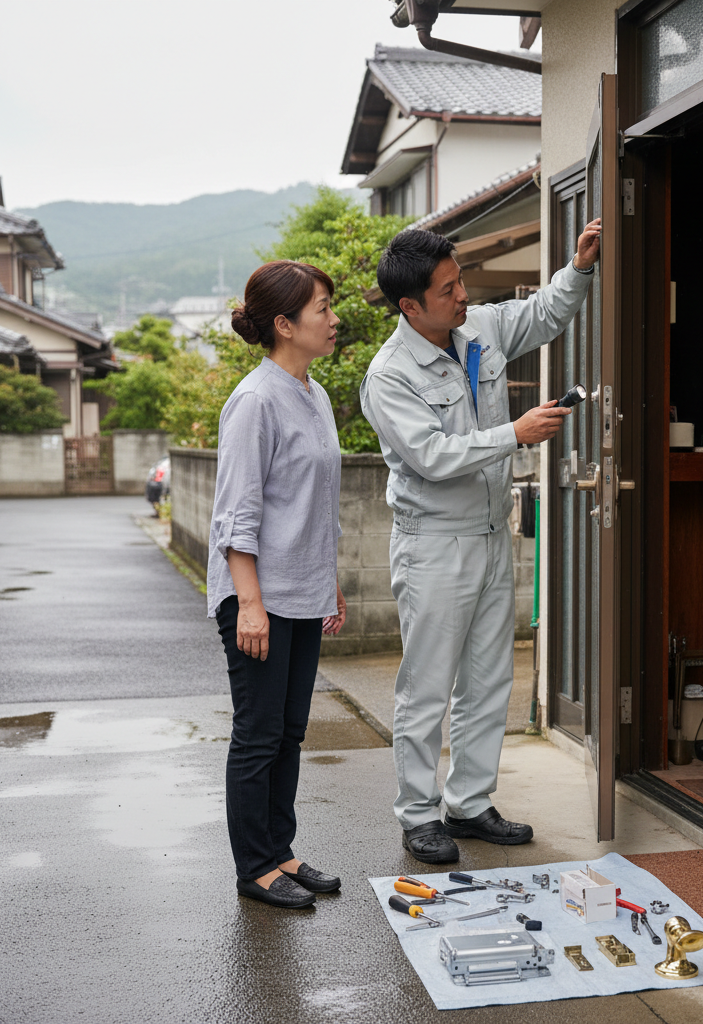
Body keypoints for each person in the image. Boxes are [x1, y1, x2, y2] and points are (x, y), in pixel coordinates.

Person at [360, 219, 602, 863]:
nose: (462, 295)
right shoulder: (389, 376)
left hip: (492, 535)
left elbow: (544, 314)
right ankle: (418, 815)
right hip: (435, 544)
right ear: (410, 306)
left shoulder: (479, 331)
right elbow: (433, 456)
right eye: (447, 289)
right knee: (427, 687)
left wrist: (577, 269)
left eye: (460, 279)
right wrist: (513, 434)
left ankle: (468, 804)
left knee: (489, 679)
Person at [208, 260, 347, 907]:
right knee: (259, 733)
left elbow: (313, 500)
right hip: (257, 596)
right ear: (285, 324)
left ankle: (282, 852)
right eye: (322, 307)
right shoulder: (255, 400)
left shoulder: (313, 394)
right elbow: (237, 514)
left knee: (291, 732)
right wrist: (251, 605)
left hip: (302, 587)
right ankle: (254, 866)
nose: (334, 317)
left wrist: (330, 581)